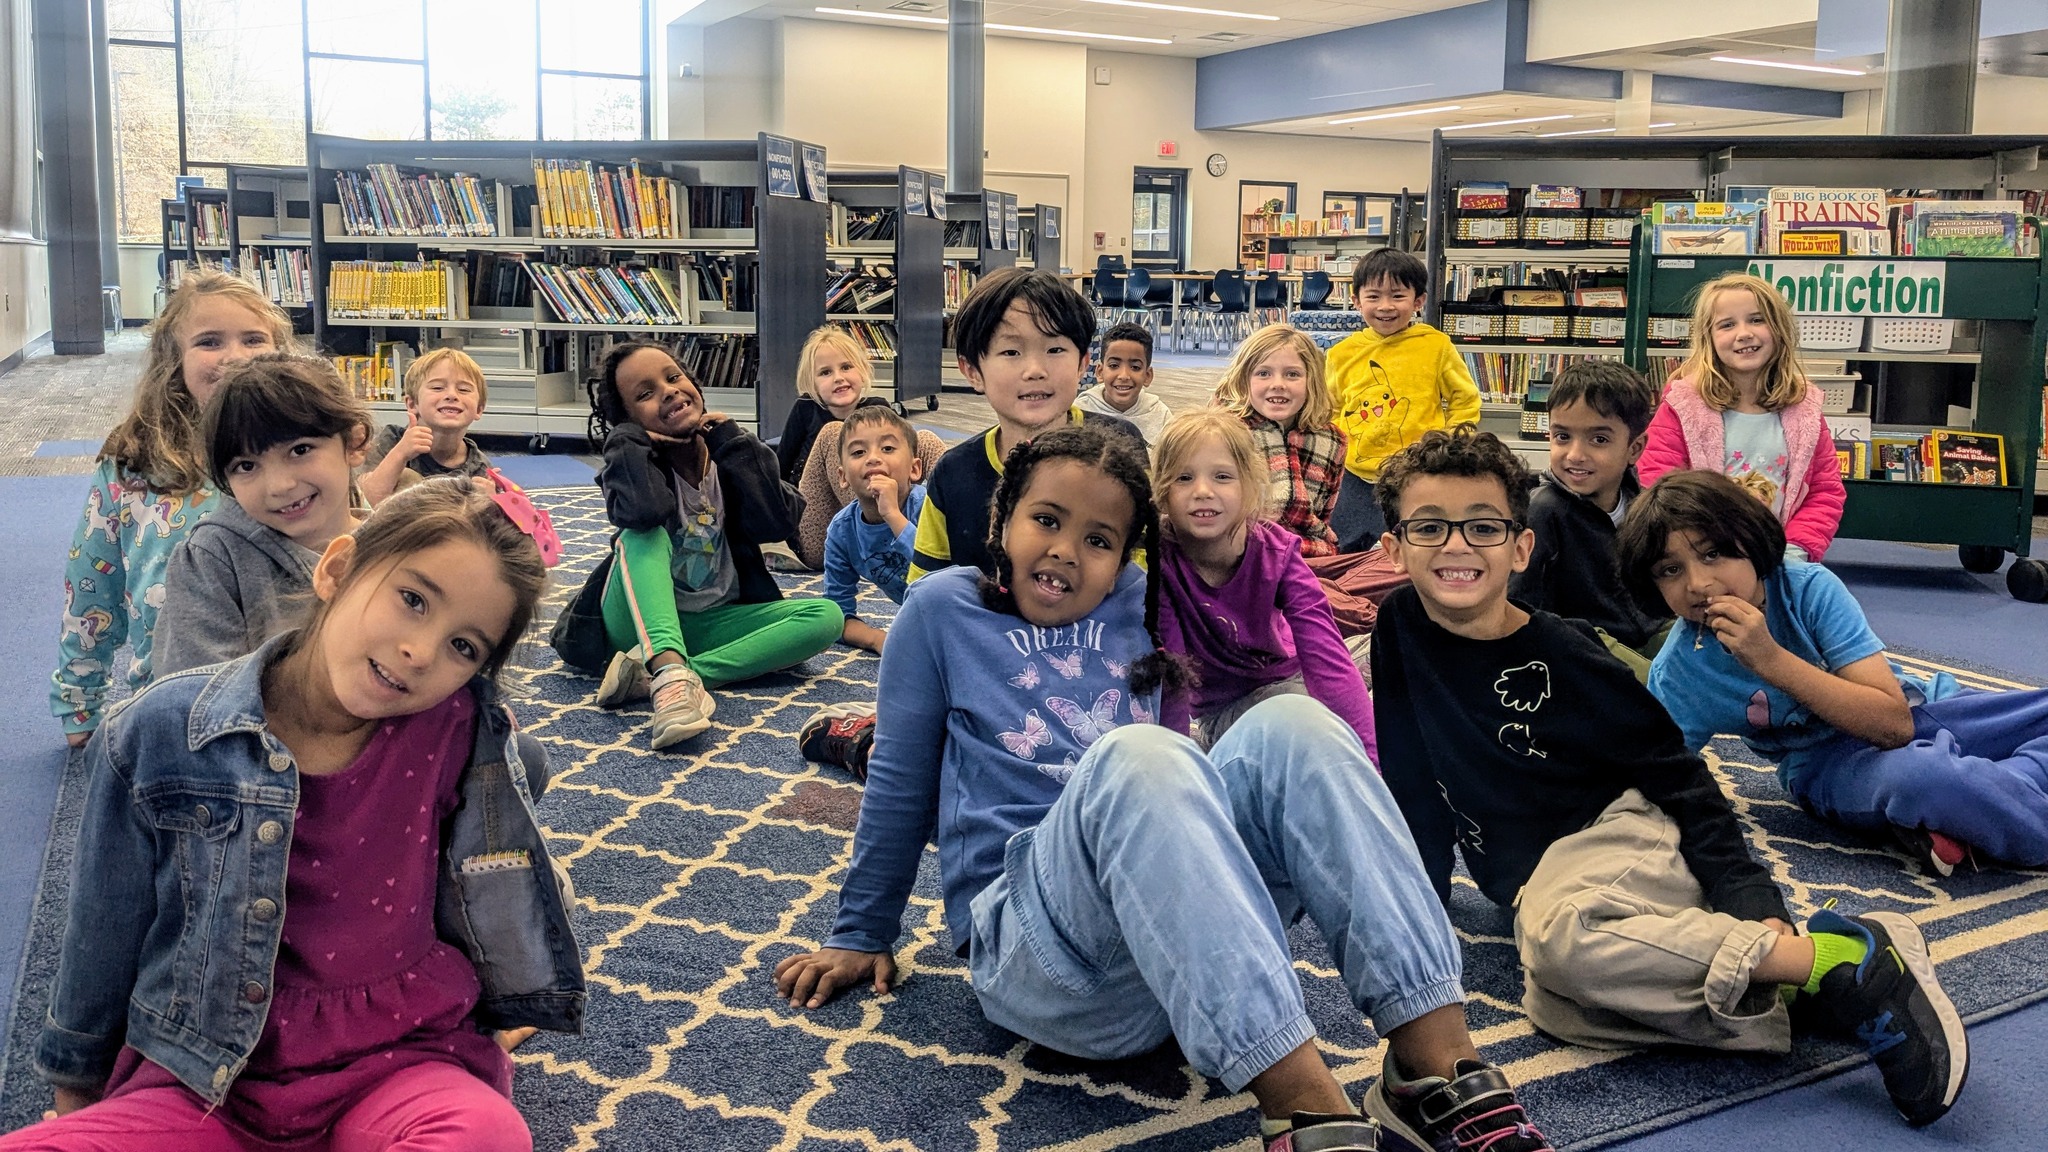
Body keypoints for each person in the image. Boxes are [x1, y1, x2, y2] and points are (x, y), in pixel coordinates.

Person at [778, 425, 1554, 1152]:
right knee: (1140, 753)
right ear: (1002, 518)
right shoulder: (941, 609)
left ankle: (1433, 1064)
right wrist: (860, 931)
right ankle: (1303, 1104)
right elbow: (901, 781)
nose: (1064, 552)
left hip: (1181, 962)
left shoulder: (1140, 602)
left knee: (1296, 727)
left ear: (1126, 555)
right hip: (1037, 957)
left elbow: (1254, 587)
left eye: (1099, 540)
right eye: (1045, 520)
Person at [1371, 430, 1967, 1130]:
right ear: (1392, 547)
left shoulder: (1567, 653)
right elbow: (1412, 771)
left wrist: (1748, 896)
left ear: (1521, 548)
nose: (1456, 546)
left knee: (1562, 940)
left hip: (1614, 831)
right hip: (1530, 878)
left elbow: (1680, 777)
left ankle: (1839, 956)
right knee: (1559, 1002)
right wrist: (1423, 901)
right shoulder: (1398, 624)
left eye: (1482, 527)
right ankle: (1800, 992)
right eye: (1429, 528)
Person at [9, 479, 583, 1152]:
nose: (421, 651)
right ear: (337, 569)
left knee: (484, 1134)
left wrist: (503, 1005)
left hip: (400, 1063)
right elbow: (102, 931)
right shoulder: (160, 731)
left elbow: (511, 830)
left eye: (465, 647)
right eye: (412, 599)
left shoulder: (459, 732)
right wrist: (78, 1097)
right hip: (201, 1080)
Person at [1621, 469, 2048, 877]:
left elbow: (1894, 721)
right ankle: (1972, 802)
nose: (1698, 583)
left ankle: (1987, 800)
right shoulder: (1680, 670)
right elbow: (1660, 774)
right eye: (1670, 570)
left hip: (1924, 706)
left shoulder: (1808, 588)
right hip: (1828, 765)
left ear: (1750, 540)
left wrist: (1770, 658)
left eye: (1713, 553)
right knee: (1928, 780)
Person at [547, 340, 842, 750]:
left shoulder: (732, 454)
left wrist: (733, 444)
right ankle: (668, 670)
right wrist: (628, 442)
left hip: (709, 621)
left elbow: (775, 522)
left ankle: (665, 678)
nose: (668, 391)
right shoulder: (633, 463)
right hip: (633, 623)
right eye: (645, 394)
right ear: (629, 419)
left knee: (825, 616)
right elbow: (641, 513)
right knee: (643, 534)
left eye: (673, 378)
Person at [51, 271, 293, 747]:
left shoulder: (306, 451)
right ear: (174, 361)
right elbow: (91, 584)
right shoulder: (135, 465)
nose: (236, 357)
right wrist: (78, 701)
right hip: (174, 703)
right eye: (209, 341)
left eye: (253, 339)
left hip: (288, 700)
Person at [1152, 410, 1375, 757]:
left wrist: (1370, 766)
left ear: (1249, 486)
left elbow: (1324, 651)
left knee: (1378, 665)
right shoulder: (1164, 565)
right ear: (1162, 492)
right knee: (1304, 716)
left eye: (1222, 476)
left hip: (1295, 680)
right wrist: (1178, 771)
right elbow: (1173, 682)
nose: (1203, 491)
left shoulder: (1277, 550)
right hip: (1225, 713)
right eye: (1183, 478)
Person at [909, 267, 1141, 581]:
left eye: (1055, 349)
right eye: (1011, 351)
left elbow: (1143, 578)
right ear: (973, 371)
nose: (1034, 370)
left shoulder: (1119, 447)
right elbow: (925, 594)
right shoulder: (954, 474)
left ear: (1083, 363)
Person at [154, 354, 371, 676]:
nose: (279, 486)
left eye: (300, 450)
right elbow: (196, 696)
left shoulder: (396, 545)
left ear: (354, 443)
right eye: (246, 466)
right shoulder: (212, 559)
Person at [1636, 271, 1844, 563]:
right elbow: (1659, 483)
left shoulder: (1804, 409)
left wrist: (1796, 550)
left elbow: (1825, 491)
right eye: (1727, 324)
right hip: (1704, 561)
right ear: (1709, 338)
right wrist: (1702, 550)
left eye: (1757, 320)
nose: (1744, 333)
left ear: (1779, 329)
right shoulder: (1683, 406)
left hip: (1780, 559)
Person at [1508, 360, 1672, 679]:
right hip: (1585, 644)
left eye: (1599, 440)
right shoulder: (1543, 510)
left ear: (1634, 448)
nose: (1575, 454)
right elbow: (1519, 603)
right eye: (1562, 437)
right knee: (1665, 688)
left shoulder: (1643, 502)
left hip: (1648, 629)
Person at [1323, 249, 1480, 553]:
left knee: (1413, 548)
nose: (1385, 306)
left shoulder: (1435, 346)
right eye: (1373, 296)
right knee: (1343, 549)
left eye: (1397, 296)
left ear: (1418, 301)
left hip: (1417, 472)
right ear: (1356, 300)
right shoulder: (1341, 353)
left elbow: (1465, 399)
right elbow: (1329, 410)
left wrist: (1449, 446)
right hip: (1354, 473)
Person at [786, 325, 947, 570]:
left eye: (846, 367)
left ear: (862, 372)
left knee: (922, 439)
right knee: (836, 434)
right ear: (812, 383)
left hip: (890, 515)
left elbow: (905, 458)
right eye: (826, 372)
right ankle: (877, 534)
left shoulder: (878, 408)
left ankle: (961, 518)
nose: (838, 377)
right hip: (821, 535)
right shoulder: (805, 410)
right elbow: (779, 469)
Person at [1213, 323, 1348, 558]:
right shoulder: (1222, 432)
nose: (1278, 384)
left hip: (1309, 555)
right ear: (1245, 379)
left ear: (1311, 380)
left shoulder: (1332, 440)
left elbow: (1324, 513)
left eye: (1292, 374)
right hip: (1241, 553)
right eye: (1263, 373)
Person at [822, 405, 927, 655]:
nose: (873, 458)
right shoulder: (842, 531)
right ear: (843, 475)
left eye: (888, 448)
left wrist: (892, 515)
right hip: (922, 620)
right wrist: (878, 640)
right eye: (858, 452)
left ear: (914, 469)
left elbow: (943, 572)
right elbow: (837, 614)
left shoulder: (928, 507)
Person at [358, 347, 494, 507]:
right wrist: (400, 454)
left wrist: (489, 502)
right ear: (411, 403)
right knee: (407, 478)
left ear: (479, 409)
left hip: (445, 529)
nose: (452, 395)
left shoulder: (478, 466)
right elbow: (366, 501)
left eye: (463, 389)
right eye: (437, 388)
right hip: (393, 527)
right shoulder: (392, 441)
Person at [1075, 321, 1171, 442]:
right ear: (1100, 372)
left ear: (1147, 376)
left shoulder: (1161, 416)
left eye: (1135, 367)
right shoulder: (1079, 411)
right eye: (1114, 365)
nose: (1124, 376)